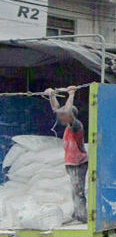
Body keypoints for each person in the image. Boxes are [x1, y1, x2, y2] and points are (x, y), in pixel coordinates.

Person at [42, 86, 88, 223]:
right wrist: (52, 96)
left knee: (78, 191)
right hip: (72, 163)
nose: (60, 117)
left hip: (78, 163)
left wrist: (71, 94)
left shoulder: (76, 126)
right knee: (75, 190)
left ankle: (81, 216)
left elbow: (66, 111)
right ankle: (77, 214)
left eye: (64, 115)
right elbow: (57, 110)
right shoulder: (69, 126)